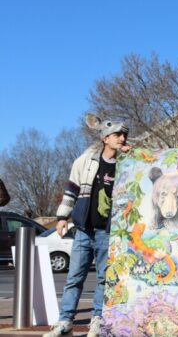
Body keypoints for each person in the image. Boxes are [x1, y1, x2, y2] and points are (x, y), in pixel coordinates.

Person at [45, 116, 130, 337]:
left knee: (104, 278)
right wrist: (62, 217)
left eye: (125, 135)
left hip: (108, 232)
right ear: (105, 138)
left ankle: (97, 319)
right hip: (84, 229)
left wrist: (134, 154)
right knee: (74, 277)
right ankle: (65, 321)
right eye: (118, 134)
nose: (122, 138)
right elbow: (71, 190)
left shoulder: (127, 164)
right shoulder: (85, 161)